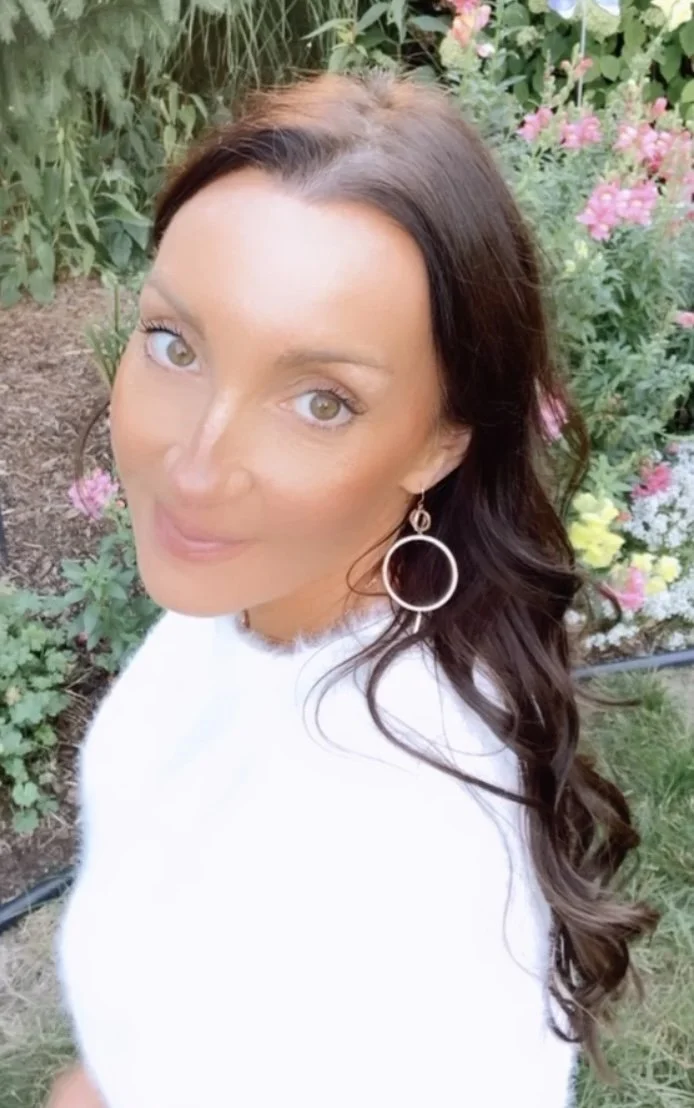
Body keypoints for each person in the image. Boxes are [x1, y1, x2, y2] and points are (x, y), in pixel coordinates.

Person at [49, 70, 656, 1108]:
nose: (196, 467)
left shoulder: (390, 836)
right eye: (175, 344)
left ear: (443, 438)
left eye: (321, 401)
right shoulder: (270, 595)